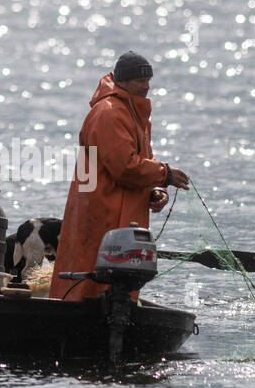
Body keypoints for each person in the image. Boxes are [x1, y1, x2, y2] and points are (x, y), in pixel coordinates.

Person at [50, 52, 190, 301]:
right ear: (123, 81)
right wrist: (164, 174)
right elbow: (124, 167)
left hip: (123, 216)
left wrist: (154, 190)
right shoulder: (110, 112)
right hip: (102, 211)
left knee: (116, 282)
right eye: (139, 80)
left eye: (148, 80)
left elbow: (141, 160)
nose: (146, 86)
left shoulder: (133, 111)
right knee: (89, 279)